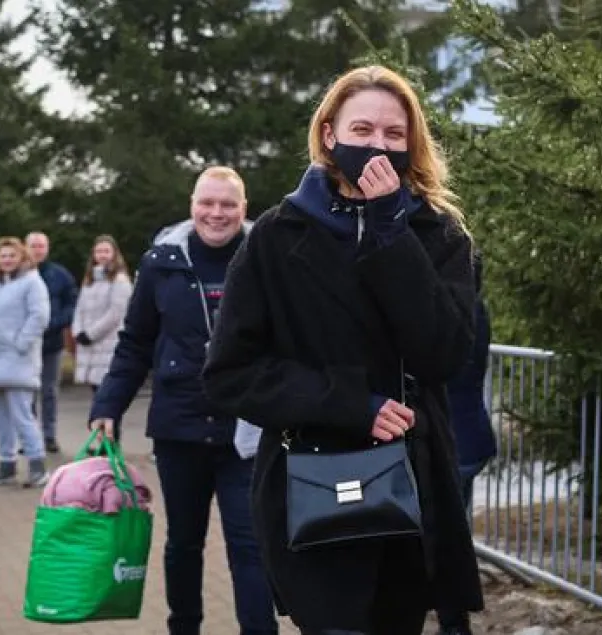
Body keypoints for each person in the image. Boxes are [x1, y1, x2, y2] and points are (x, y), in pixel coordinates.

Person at [202, 65, 484, 635]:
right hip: (311, 482)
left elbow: (444, 353)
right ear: (330, 135)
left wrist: (390, 231)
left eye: (393, 135)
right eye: (362, 130)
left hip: (407, 488)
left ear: (412, 143)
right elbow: (231, 373)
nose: (377, 145)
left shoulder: (440, 236)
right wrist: (350, 404)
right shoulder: (277, 238)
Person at [89, 166, 278, 635]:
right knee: (183, 544)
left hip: (247, 432)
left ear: (244, 209)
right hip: (180, 428)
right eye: (207, 203)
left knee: (251, 544)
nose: (217, 213)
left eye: (228, 204)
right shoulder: (161, 262)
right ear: (192, 204)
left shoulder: (267, 258)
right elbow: (135, 342)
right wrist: (107, 407)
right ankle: (184, 627)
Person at [435, 251, 497, 635]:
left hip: (450, 444)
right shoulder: (479, 311)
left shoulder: (452, 318)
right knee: (453, 535)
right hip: (470, 439)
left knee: (444, 542)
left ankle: (453, 624)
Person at [0, 237, 52, 488]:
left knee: (22, 415)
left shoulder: (32, 283)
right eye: (3, 256)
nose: (7, 260)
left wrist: (21, 343)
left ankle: (37, 466)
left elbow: (39, 316)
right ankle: (6, 465)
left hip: (17, 359)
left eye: (12, 255)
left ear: (22, 257)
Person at [72, 235, 133, 439]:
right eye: (99, 251)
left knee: (109, 401)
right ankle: (99, 444)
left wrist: (91, 333)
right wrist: (78, 331)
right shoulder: (89, 281)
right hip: (90, 348)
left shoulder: (120, 281)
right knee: (97, 400)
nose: (102, 255)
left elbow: (116, 313)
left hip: (108, 345)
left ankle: (110, 446)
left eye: (106, 251)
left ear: (115, 254)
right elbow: (79, 308)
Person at [26, 231, 77, 454]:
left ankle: (49, 436)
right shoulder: (19, 274)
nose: (37, 250)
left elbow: (72, 304)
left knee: (49, 391)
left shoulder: (59, 275)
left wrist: (54, 323)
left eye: (41, 246)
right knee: (27, 392)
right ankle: (29, 437)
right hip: (26, 345)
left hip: (51, 343)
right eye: (33, 246)